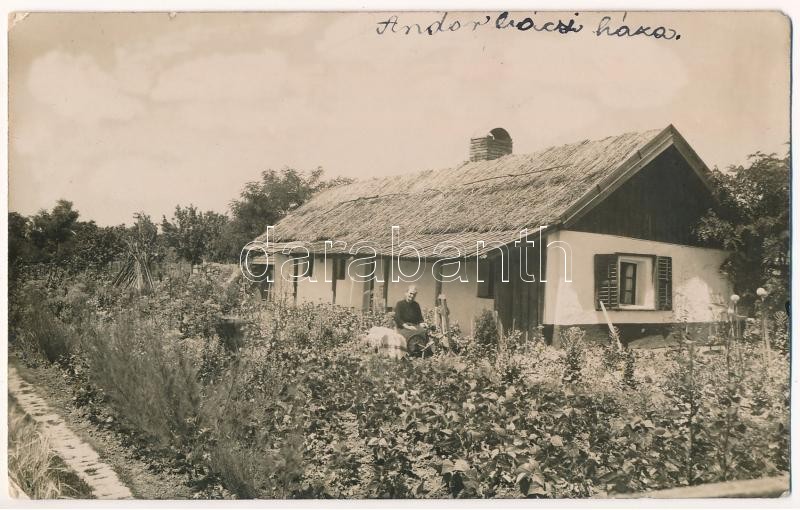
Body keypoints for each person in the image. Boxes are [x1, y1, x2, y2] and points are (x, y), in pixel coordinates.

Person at [394, 286, 430, 356]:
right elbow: (398, 319)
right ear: (406, 293)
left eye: (414, 294)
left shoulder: (416, 305)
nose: (412, 296)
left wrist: (422, 323)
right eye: (410, 293)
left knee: (424, 331)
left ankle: (420, 352)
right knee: (414, 333)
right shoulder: (400, 304)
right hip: (402, 327)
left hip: (413, 326)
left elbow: (420, 319)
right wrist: (407, 327)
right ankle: (409, 353)